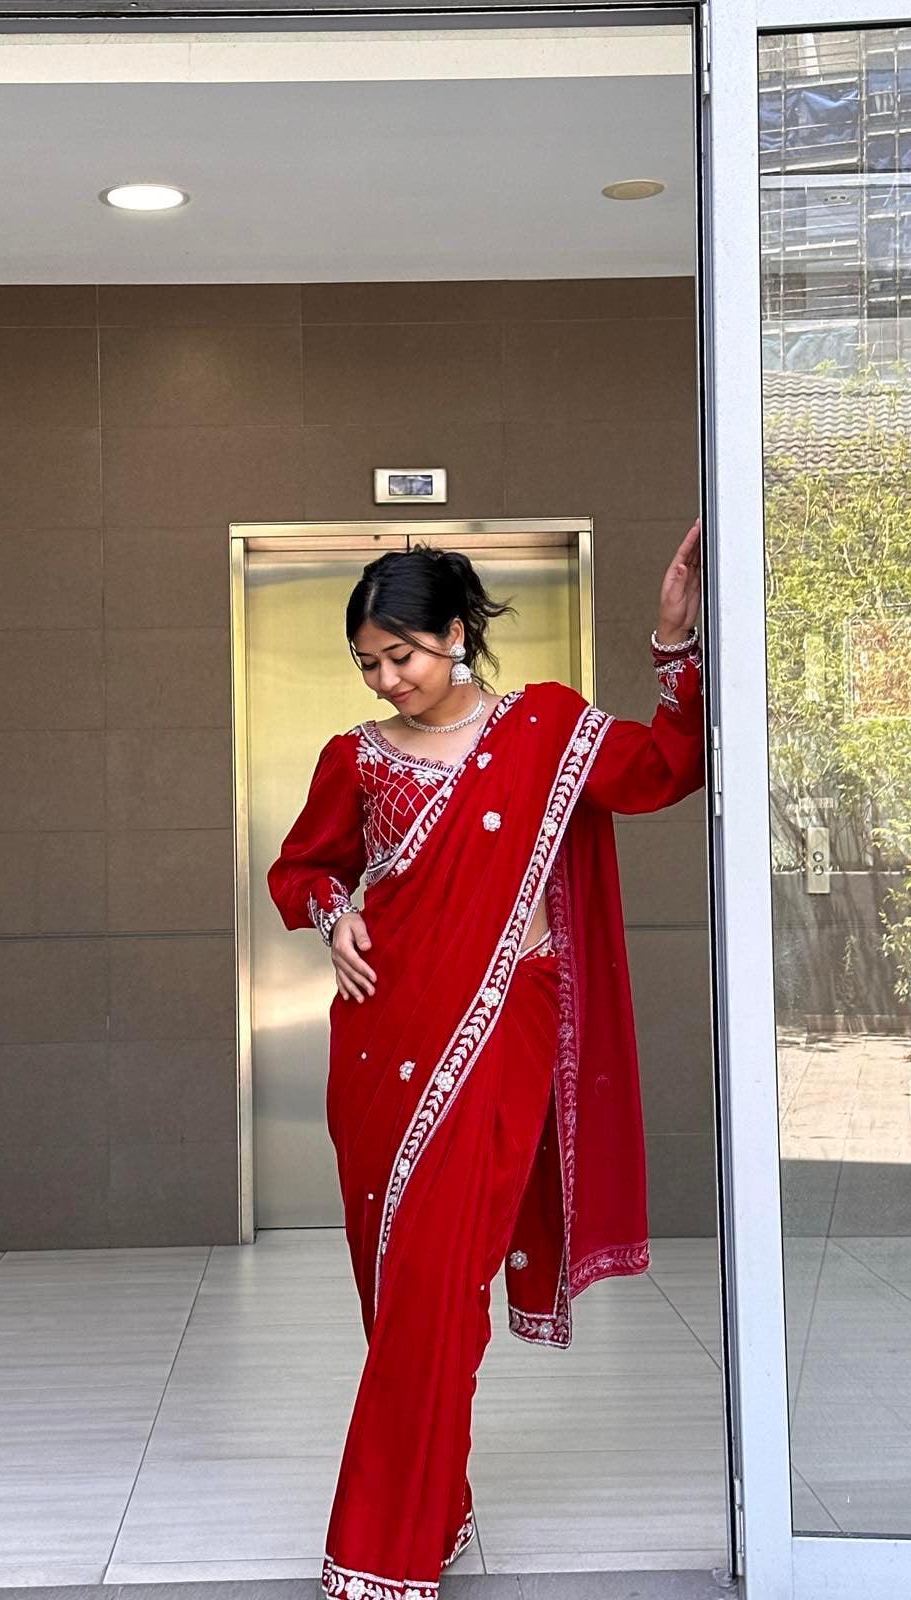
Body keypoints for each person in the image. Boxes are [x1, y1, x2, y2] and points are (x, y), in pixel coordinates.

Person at [266, 520, 704, 1600]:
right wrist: (332, 915)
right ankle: (439, 1500)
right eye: (367, 662)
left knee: (432, 1284)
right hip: (382, 1043)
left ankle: (382, 1545)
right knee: (403, 1293)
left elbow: (665, 770)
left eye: (401, 653)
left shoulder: (548, 729)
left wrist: (672, 640)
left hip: (502, 1035)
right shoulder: (354, 758)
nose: (386, 678)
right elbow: (300, 867)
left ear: (457, 635)